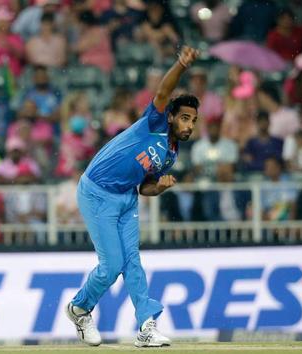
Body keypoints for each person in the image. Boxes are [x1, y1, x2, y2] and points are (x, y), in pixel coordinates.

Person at [64, 46, 200, 348]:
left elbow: (144, 188)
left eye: (193, 121)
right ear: (172, 117)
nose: (190, 125)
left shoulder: (171, 155)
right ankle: (80, 309)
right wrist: (181, 64)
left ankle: (147, 326)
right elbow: (164, 90)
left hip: (127, 198)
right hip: (97, 192)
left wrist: (159, 188)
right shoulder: (155, 123)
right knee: (111, 266)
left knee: (133, 262)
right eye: (185, 118)